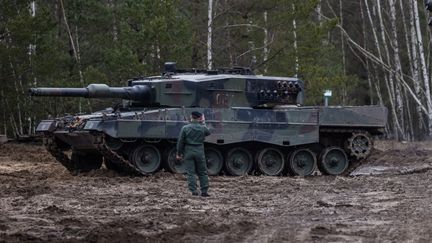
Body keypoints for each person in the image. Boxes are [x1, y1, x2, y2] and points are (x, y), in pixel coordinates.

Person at [176, 111, 211, 197]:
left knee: (190, 172)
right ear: (199, 118)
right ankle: (204, 191)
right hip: (199, 151)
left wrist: (179, 153)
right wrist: (203, 122)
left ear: (191, 117)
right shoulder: (202, 127)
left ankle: (194, 190)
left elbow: (180, 141)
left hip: (188, 151)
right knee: (202, 172)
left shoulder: (185, 128)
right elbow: (208, 132)